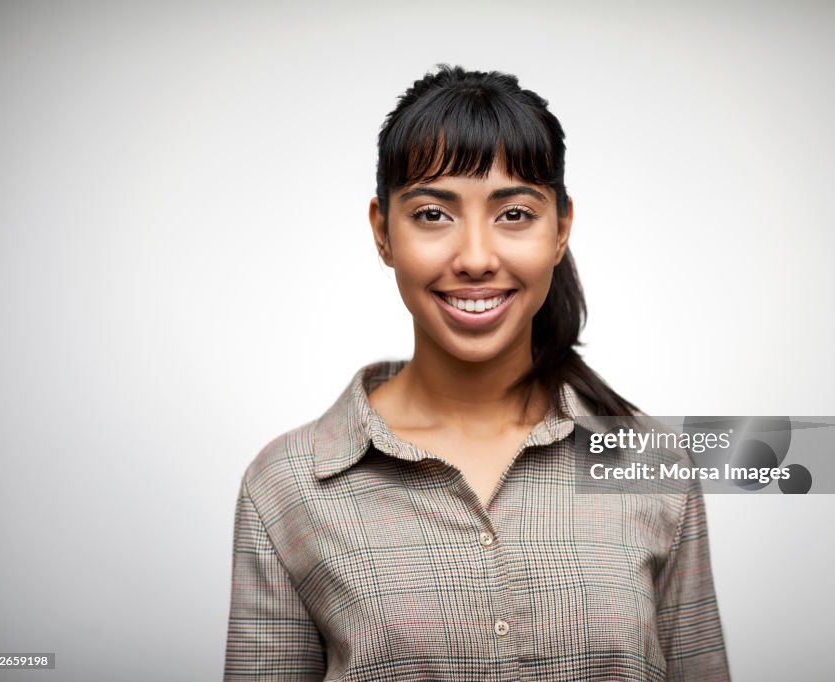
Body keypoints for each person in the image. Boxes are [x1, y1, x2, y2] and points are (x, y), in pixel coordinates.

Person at [223, 63, 730, 681]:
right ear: (382, 232)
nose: (475, 258)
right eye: (433, 215)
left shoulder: (652, 463)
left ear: (561, 228)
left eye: (514, 214)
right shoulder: (287, 485)